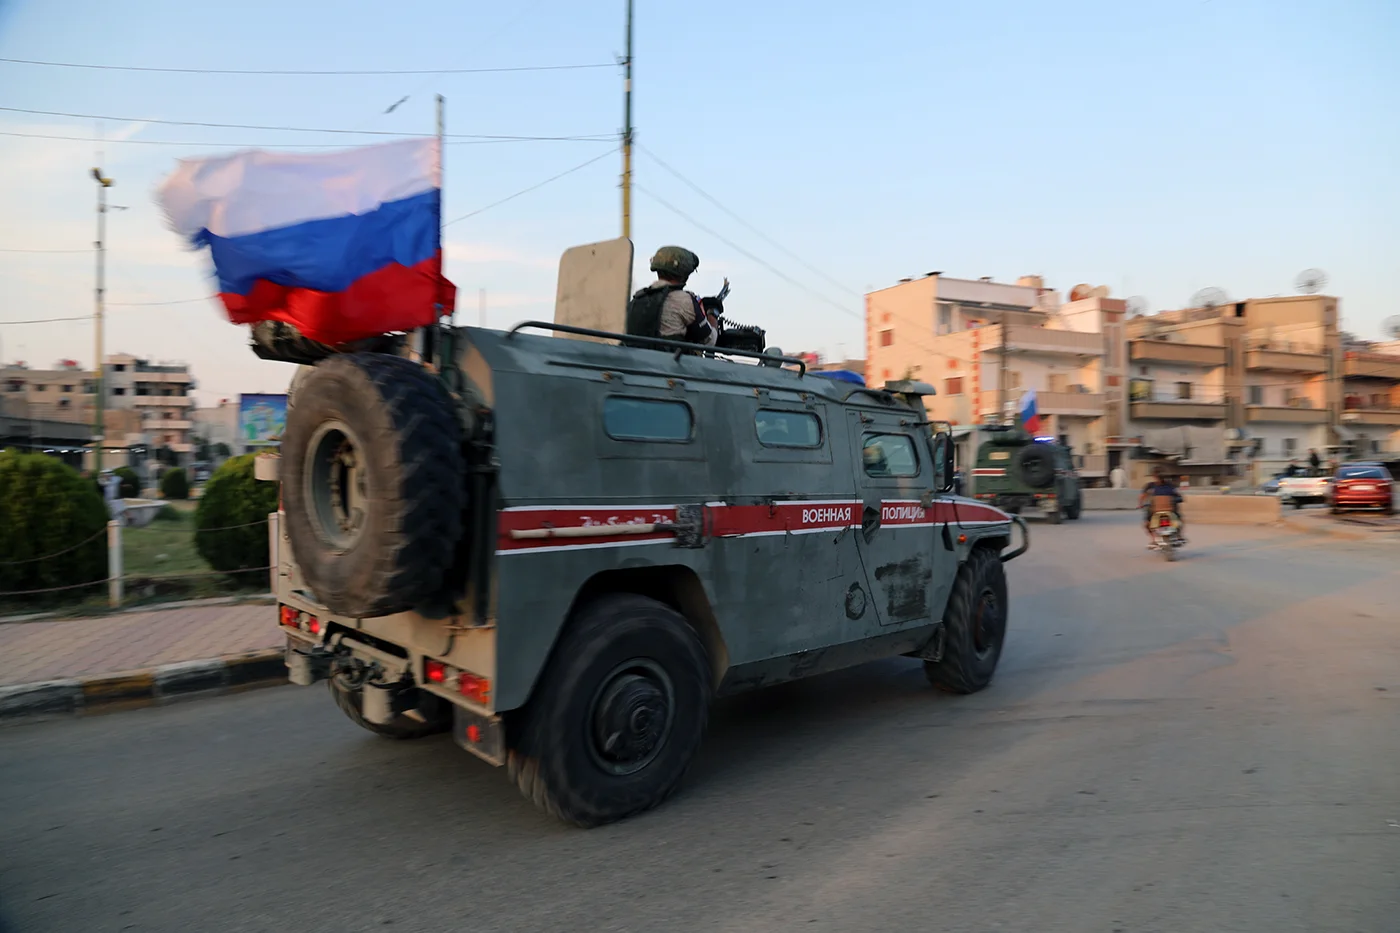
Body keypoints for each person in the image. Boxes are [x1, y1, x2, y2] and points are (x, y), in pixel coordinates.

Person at [625, 246, 718, 349]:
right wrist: (713, 313)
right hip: (669, 359)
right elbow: (709, 341)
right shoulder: (684, 300)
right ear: (684, 273)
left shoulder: (638, 298)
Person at [1139, 471, 1184, 548]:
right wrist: (1141, 503)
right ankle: (1154, 539)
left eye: (1160, 477)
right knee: (1147, 523)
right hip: (1156, 509)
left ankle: (1178, 536)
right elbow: (1143, 496)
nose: (1158, 478)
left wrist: (1141, 504)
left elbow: (1178, 495)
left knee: (1179, 521)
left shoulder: (1169, 485)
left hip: (1168, 509)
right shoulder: (1152, 486)